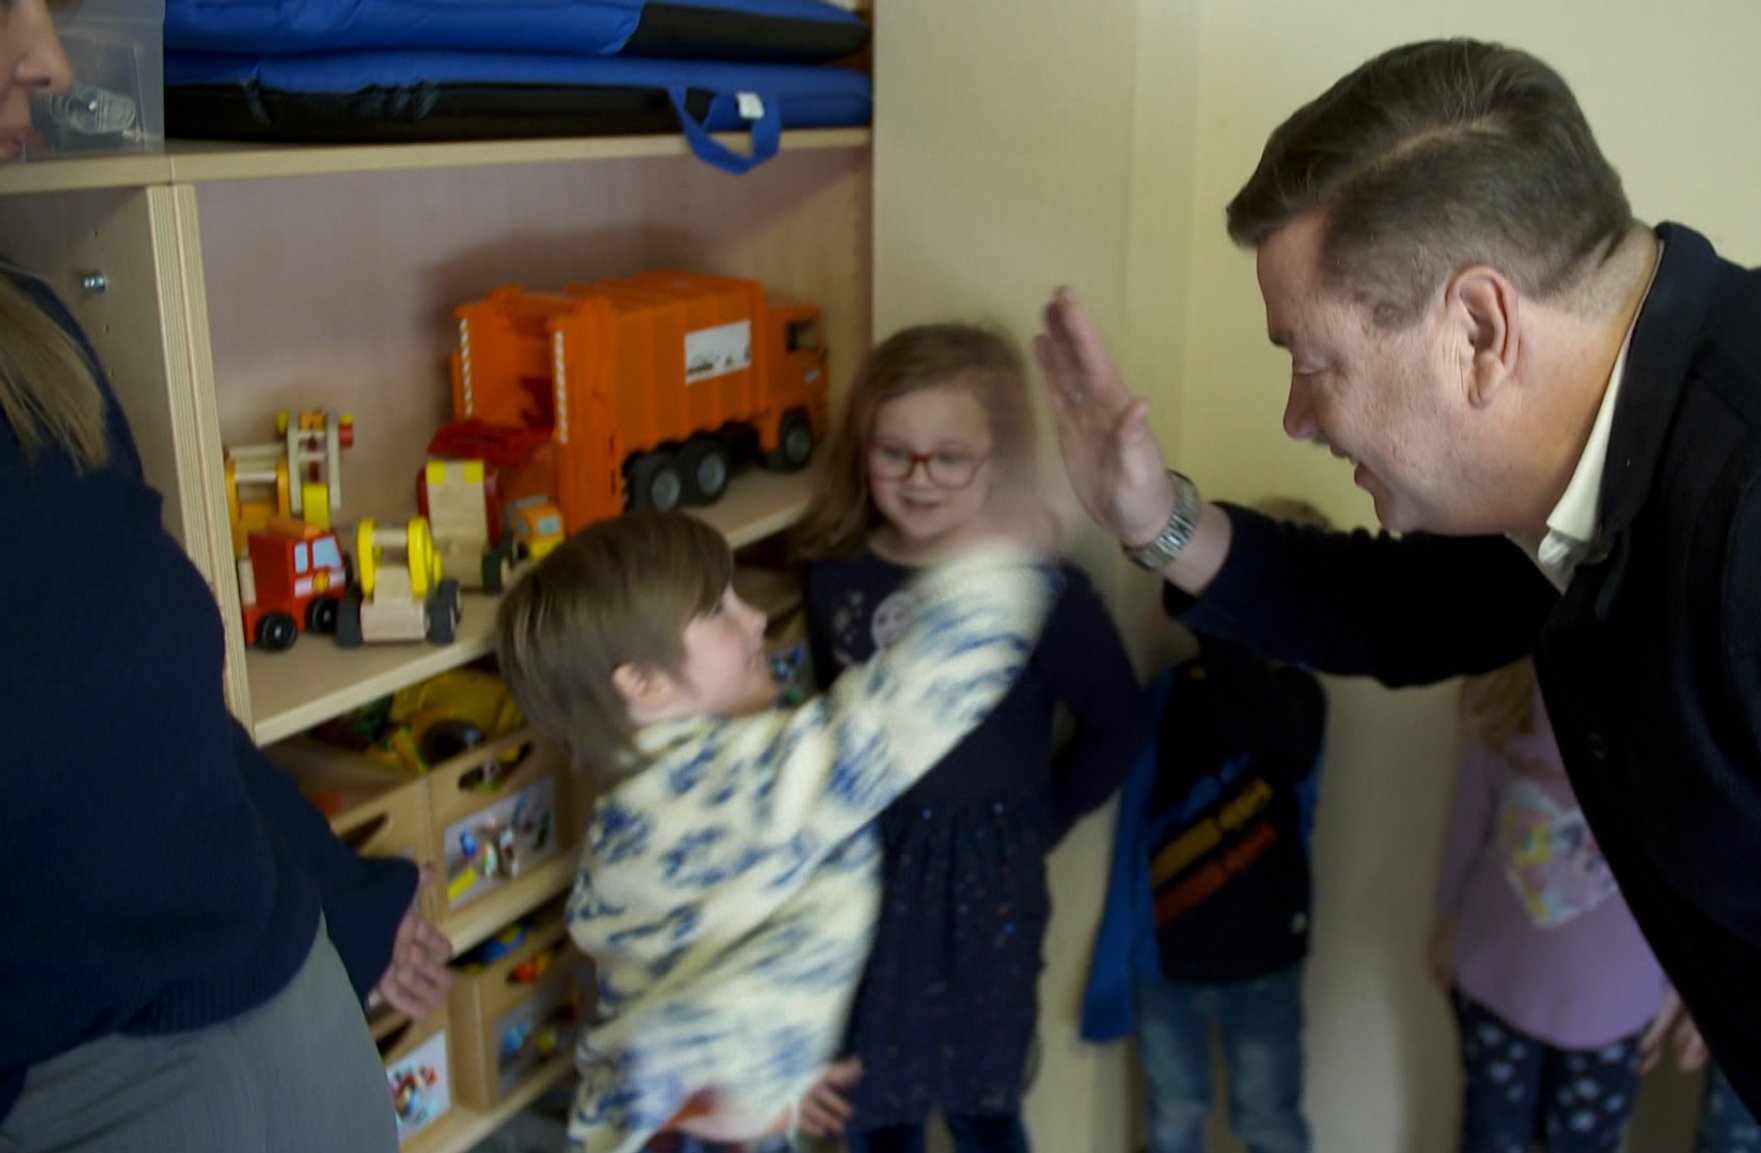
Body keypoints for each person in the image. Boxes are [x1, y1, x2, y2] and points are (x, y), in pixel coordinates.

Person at [1031, 37, 1761, 1153]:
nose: (1295, 415)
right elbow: (1391, 607)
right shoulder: (1610, 456)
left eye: (1312, 360)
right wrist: (1152, 521)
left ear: (1476, 331)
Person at [1, 9, 452, 1151]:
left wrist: (332, 887)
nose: (46, 65)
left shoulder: (30, 340)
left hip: (272, 988)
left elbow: (154, 715)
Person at [492, 509, 1055, 1153]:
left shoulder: (642, 799)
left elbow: (716, 958)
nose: (755, 618)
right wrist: (1003, 559)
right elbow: (898, 713)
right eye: (718, 611)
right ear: (645, 684)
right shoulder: (722, 785)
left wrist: (771, 1070)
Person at [788, 324, 1147, 1153]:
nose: (919, 478)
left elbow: (1118, 722)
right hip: (868, 873)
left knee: (986, 1101)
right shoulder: (834, 573)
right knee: (877, 1101)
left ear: (998, 456)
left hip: (991, 878)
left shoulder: (1040, 589)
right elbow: (825, 715)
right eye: (895, 453)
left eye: (950, 456)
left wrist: (1037, 820)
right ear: (863, 449)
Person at [1080, 495, 1332, 1153]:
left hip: (1265, 957)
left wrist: (1219, 611)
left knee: (1268, 1118)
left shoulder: (1302, 701)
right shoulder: (1172, 693)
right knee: (1175, 1112)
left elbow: (1256, 722)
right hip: (1170, 960)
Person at [1429, 659, 1664, 1153]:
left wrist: (1685, 989)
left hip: (1615, 1005)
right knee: (1490, 1135)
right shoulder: (1505, 681)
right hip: (1497, 978)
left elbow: (1697, 863)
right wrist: (1446, 917)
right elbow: (1470, 812)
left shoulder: (1674, 702)